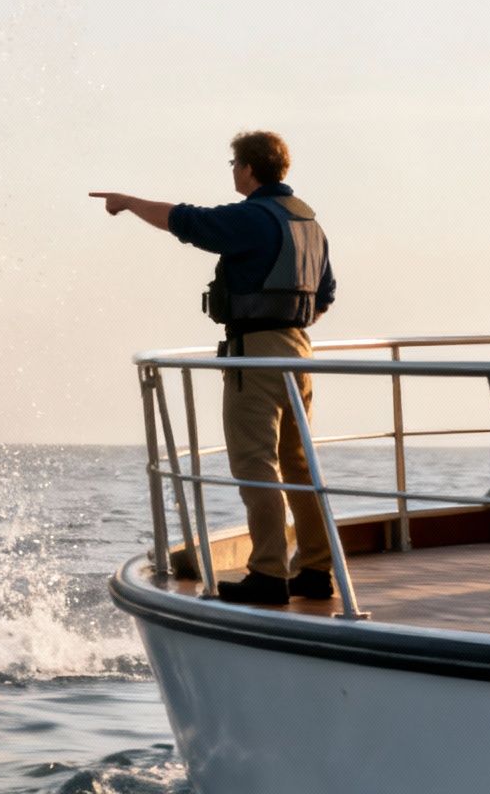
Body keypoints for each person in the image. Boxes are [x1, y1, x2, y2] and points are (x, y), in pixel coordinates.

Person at [89, 130, 337, 606]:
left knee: (255, 462)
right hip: (299, 352)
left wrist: (127, 202)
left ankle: (268, 574)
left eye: (234, 164)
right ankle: (316, 569)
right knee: (299, 465)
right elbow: (324, 298)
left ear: (247, 168)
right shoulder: (309, 223)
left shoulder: (253, 218)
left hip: (257, 355)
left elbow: (184, 221)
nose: (232, 172)